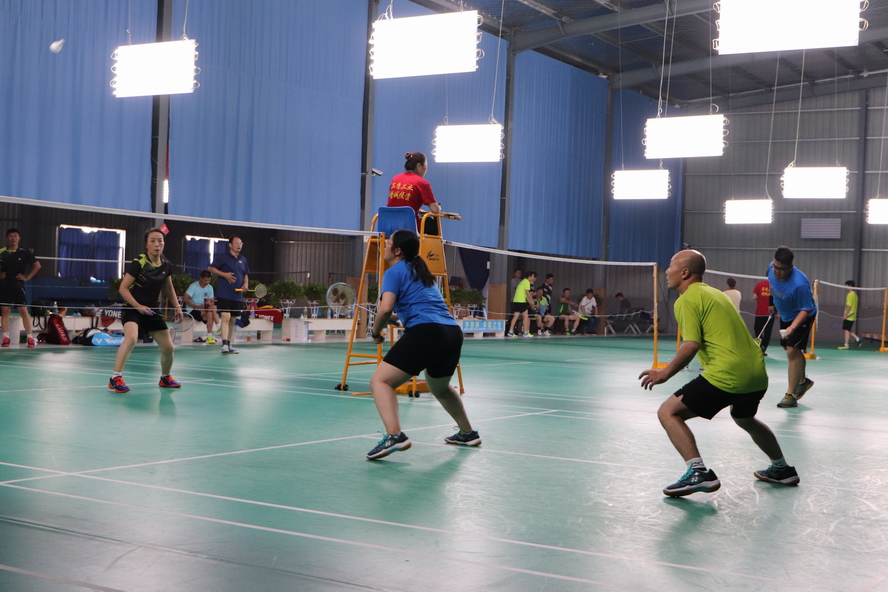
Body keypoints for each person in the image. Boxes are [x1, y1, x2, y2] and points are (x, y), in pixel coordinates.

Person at [639, 249, 799, 497]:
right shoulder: (716, 294)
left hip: (727, 373)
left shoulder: (688, 299)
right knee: (744, 418)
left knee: (668, 412)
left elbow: (690, 345)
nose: (667, 271)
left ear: (685, 272)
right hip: (756, 374)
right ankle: (782, 468)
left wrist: (664, 373)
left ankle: (698, 472)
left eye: (671, 265)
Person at [365, 229, 480, 460]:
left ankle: (395, 435)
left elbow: (385, 308)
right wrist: (397, 318)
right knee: (441, 388)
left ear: (398, 250)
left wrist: (375, 332)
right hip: (451, 333)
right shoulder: (421, 271)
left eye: (388, 242)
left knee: (381, 381)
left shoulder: (393, 271)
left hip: (427, 332)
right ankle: (468, 433)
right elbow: (418, 307)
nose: (385, 245)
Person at [109, 228, 183, 393]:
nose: (157, 244)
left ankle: (165, 378)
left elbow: (169, 288)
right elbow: (123, 288)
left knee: (168, 348)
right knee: (131, 339)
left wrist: (177, 307)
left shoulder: (166, 264)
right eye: (153, 241)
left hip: (152, 310)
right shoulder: (139, 263)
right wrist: (138, 306)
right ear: (146, 244)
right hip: (133, 308)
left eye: (160, 241)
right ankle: (115, 378)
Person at [768, 246, 817, 408]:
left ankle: (790, 395)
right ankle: (803, 381)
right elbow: (771, 284)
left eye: (781, 269)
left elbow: (806, 309)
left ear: (790, 267)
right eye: (775, 267)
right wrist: (771, 302)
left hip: (802, 316)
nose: (777, 271)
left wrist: (793, 327)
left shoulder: (799, 284)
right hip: (785, 315)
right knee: (789, 348)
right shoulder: (770, 268)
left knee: (791, 349)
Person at [0, 228, 41, 348]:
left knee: (23, 311)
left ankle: (30, 338)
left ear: (19, 238)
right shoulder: (2, 252)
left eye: (15, 236)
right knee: (5, 311)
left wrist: (27, 277)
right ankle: (6, 338)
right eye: (11, 236)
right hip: (4, 285)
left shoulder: (24, 252)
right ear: (7, 238)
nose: (13, 238)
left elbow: (37, 265)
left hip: (18, 285)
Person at [209, 236, 249, 354]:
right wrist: (224, 275)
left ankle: (230, 344)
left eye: (240, 243)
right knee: (225, 317)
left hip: (237, 295)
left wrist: (245, 284)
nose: (239, 245)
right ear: (230, 245)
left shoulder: (243, 259)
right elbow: (211, 268)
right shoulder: (223, 257)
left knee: (232, 320)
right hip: (224, 293)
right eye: (236, 243)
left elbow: (245, 273)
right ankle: (224, 345)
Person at [387, 152, 441, 235]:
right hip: (409, 225)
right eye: (426, 166)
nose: (426, 170)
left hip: (389, 224)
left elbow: (399, 201)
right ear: (419, 166)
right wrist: (438, 208)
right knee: (432, 222)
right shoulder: (422, 183)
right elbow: (435, 210)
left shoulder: (396, 179)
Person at [183, 270, 219, 344]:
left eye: (209, 280)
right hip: (193, 309)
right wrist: (195, 306)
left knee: (210, 313)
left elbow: (211, 301)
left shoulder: (210, 287)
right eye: (205, 280)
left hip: (205, 308)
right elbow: (185, 298)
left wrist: (209, 302)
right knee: (213, 308)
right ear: (201, 278)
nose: (207, 282)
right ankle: (219, 326)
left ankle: (209, 336)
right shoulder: (193, 286)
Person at [507, 271, 536, 338]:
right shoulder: (527, 282)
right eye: (533, 276)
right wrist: (532, 301)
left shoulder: (522, 282)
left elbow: (525, 294)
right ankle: (526, 332)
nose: (533, 278)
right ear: (530, 276)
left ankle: (510, 331)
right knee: (526, 316)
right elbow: (527, 293)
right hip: (521, 301)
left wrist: (530, 303)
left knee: (515, 316)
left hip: (516, 301)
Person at [751, 279, 774, 355]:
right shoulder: (775, 285)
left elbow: (754, 297)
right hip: (770, 313)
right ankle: (764, 347)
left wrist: (761, 297)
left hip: (760, 313)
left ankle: (760, 346)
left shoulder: (759, 284)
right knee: (767, 332)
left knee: (758, 330)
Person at [838, 280, 861, 350]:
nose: (846, 287)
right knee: (847, 329)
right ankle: (857, 339)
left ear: (849, 286)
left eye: (846, 286)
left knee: (846, 329)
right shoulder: (855, 295)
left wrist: (845, 315)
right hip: (853, 315)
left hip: (849, 315)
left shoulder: (850, 295)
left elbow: (849, 306)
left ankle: (846, 345)